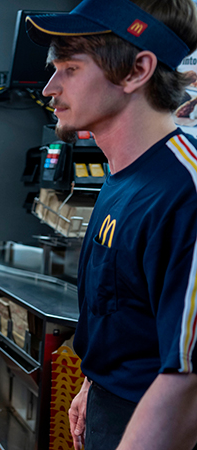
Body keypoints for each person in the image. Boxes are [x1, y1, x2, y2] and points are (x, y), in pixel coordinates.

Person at [26, 1, 197, 449]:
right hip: (112, 402)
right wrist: (93, 382)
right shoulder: (121, 176)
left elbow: (189, 378)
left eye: (69, 68)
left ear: (136, 70)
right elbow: (123, 306)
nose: (49, 87)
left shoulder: (185, 192)